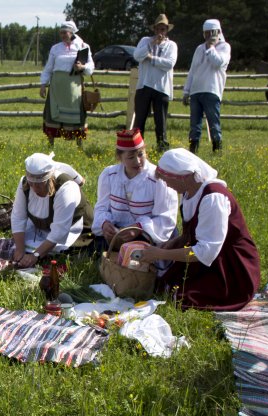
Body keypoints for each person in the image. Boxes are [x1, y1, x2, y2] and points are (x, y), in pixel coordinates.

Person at [137, 149, 260, 311]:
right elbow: (190, 233)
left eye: (168, 180)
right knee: (163, 286)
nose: (167, 185)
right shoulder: (189, 193)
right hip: (205, 260)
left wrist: (160, 254)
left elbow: (206, 251)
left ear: (184, 177)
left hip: (230, 266)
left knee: (182, 298)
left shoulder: (213, 198)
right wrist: (172, 244)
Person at [92, 129, 178, 250]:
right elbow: (101, 207)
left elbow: (165, 218)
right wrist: (105, 223)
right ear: (120, 158)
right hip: (118, 233)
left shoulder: (158, 179)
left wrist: (139, 227)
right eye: (131, 157)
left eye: (140, 154)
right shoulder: (109, 175)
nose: (137, 161)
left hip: (149, 234)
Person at [11, 152, 92, 268]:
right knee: (19, 244)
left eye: (39, 184)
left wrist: (36, 255)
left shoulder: (66, 187)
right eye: (31, 183)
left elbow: (59, 230)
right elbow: (18, 216)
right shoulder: (25, 184)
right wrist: (20, 249)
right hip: (43, 229)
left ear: (49, 179)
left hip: (72, 230)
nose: (34, 188)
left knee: (61, 254)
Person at [39, 21, 94, 146]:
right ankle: (50, 145)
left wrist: (82, 66)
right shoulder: (56, 48)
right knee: (53, 114)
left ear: (72, 32)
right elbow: (48, 68)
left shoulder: (83, 46)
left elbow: (91, 67)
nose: (62, 35)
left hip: (74, 86)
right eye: (61, 33)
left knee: (76, 115)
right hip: (57, 87)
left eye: (65, 32)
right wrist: (43, 84)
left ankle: (79, 145)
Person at [183, 19, 231, 153]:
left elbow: (218, 62)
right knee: (195, 125)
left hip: (212, 89)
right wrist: (186, 91)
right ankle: (193, 149)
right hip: (196, 90)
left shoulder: (224, 47)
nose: (208, 36)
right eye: (206, 33)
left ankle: (217, 148)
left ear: (217, 32)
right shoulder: (199, 48)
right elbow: (193, 70)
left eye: (211, 32)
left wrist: (211, 47)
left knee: (213, 122)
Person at [133, 14, 178, 151]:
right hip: (144, 85)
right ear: (154, 29)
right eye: (158, 29)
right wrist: (151, 45)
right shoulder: (145, 41)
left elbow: (169, 64)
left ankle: (162, 147)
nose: (160, 32)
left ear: (167, 30)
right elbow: (137, 56)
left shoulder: (171, 45)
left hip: (161, 87)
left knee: (161, 121)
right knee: (140, 119)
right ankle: (136, 147)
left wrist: (151, 58)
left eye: (163, 29)